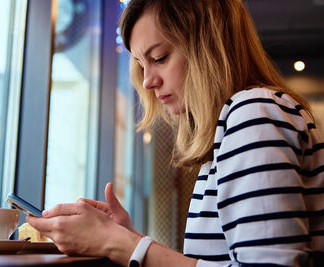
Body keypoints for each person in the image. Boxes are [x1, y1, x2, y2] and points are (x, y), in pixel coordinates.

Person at [27, 0, 324, 266]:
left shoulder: (252, 112)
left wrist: (121, 244)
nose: (147, 82)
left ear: (208, 45)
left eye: (159, 57)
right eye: (141, 65)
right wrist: (126, 238)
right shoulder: (244, 120)